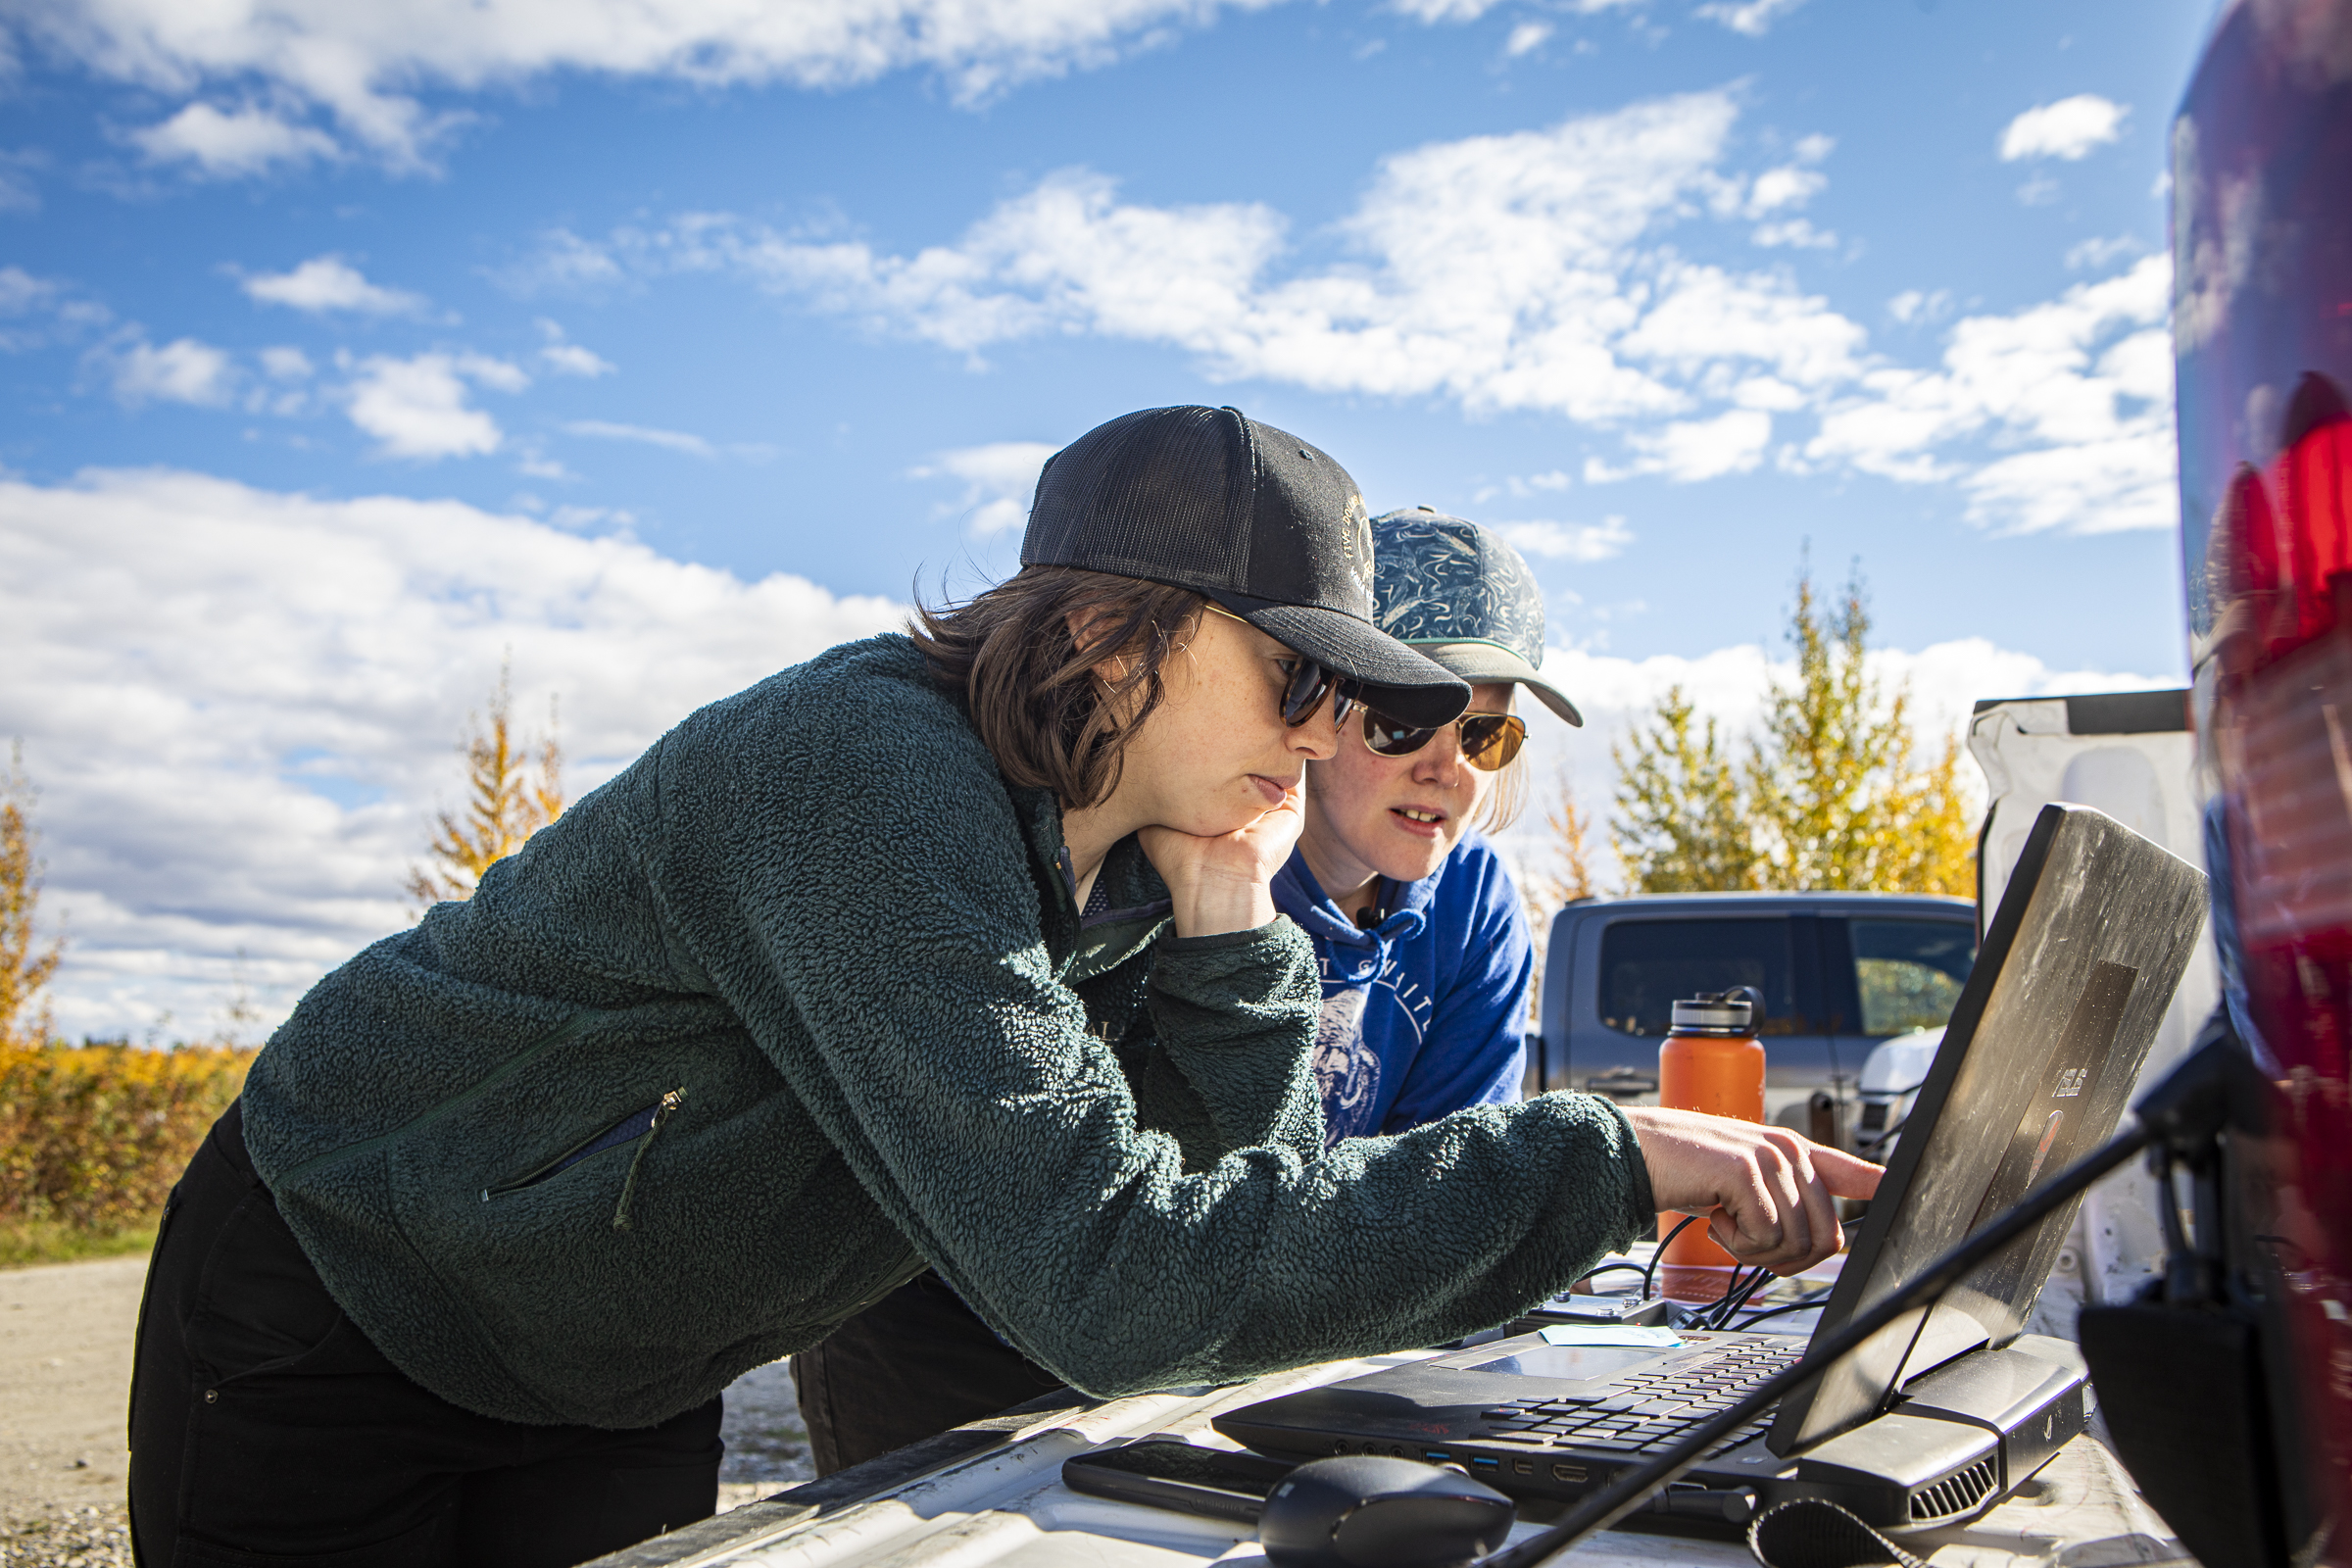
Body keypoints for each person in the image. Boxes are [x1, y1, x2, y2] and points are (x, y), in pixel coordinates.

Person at [128, 405, 1879, 1568]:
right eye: (1298, 678)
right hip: (353, 1288)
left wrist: (1224, 934)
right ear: (1118, 633)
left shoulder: (1136, 857)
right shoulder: (864, 777)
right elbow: (1122, 1283)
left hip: (615, 1358)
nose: (1324, 732)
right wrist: (1601, 1159)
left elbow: (1239, 1232)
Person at [792, 507, 1588, 1473]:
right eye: (1401, 720)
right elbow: (1085, 1195)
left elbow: (1441, 1193)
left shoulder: (1475, 910)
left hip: (1233, 1313)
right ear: (1312, 697)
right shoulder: (1170, 849)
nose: (1445, 768)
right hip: (957, 1311)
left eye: (1487, 734)